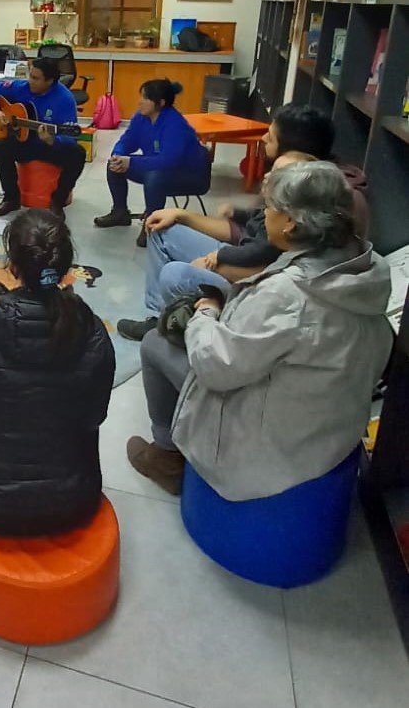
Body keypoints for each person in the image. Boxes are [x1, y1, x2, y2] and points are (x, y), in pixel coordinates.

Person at [128, 161, 392, 498]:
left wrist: (205, 315)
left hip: (273, 443)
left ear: (292, 224)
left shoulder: (287, 295)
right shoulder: (368, 268)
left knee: (155, 343)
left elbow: (217, 367)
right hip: (328, 430)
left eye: (269, 208)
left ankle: (166, 458)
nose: (263, 214)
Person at [0, 209, 116, 537]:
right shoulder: (94, 332)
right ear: (65, 270)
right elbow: (94, 417)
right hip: (74, 502)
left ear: (12, 267)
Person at [116, 104, 361, 341]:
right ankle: (156, 317)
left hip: (261, 282)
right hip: (250, 257)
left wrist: (218, 260)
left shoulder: (316, 196)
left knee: (174, 274)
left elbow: (271, 263)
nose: (264, 139)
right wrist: (183, 214)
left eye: (272, 137)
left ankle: (185, 323)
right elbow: (250, 231)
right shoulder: (297, 178)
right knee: (161, 228)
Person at [94, 78, 207, 246]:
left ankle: (152, 225)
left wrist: (131, 162)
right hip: (159, 168)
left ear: (160, 103)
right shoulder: (141, 118)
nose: (140, 102)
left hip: (189, 175)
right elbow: (127, 141)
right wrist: (117, 155)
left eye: (145, 98)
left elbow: (168, 161)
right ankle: (120, 212)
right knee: (114, 166)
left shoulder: (175, 125)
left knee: (155, 178)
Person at [0, 57, 86, 220]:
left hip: (50, 146)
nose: (30, 81)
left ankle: (57, 201)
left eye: (36, 78)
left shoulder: (65, 99)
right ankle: (11, 198)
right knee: (2, 147)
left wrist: (53, 140)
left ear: (50, 81)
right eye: (30, 75)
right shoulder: (22, 87)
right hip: (27, 142)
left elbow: (70, 138)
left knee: (77, 154)